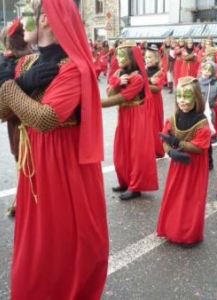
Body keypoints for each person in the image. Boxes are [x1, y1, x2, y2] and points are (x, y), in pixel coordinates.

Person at [0, 0, 109, 299]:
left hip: (64, 167)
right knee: (36, 242)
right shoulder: (26, 63)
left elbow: (45, 118)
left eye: (26, 17)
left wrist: (9, 88)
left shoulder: (74, 68)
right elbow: (2, 112)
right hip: (34, 163)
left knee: (65, 239)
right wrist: (20, 81)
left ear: (46, 20)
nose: (21, 24)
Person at [157, 76, 211, 248]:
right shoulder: (173, 117)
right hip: (177, 164)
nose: (182, 100)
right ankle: (171, 229)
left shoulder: (201, 121)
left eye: (186, 96)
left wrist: (176, 143)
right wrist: (170, 151)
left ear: (196, 97)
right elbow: (164, 138)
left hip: (194, 165)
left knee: (191, 198)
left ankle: (189, 234)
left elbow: (199, 147)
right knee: (174, 195)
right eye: (179, 95)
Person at [102, 40, 158, 200]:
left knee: (136, 151)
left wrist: (95, 103)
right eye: (117, 55)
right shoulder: (119, 73)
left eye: (121, 55)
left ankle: (136, 186)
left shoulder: (138, 78)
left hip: (136, 114)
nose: (118, 58)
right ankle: (125, 181)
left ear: (131, 57)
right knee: (122, 149)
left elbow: (121, 97)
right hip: (124, 114)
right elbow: (111, 94)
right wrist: (117, 82)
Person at [0, 17, 32, 216]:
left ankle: (26, 202)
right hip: (17, 122)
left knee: (27, 164)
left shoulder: (29, 60)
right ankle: (22, 200)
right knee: (21, 162)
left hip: (29, 120)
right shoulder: (7, 63)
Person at [198, 61, 217, 170]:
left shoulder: (215, 84)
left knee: (207, 139)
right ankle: (198, 160)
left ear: (212, 72)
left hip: (208, 114)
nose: (206, 72)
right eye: (205, 69)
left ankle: (209, 162)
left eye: (209, 70)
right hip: (195, 112)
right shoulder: (195, 82)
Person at [145, 44, 165, 158]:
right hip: (144, 100)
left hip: (154, 101)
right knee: (145, 125)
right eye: (146, 57)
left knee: (154, 125)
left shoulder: (160, 72)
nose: (147, 59)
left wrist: (144, 83)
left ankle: (156, 149)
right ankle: (147, 148)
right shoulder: (143, 70)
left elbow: (157, 88)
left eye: (150, 57)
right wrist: (148, 81)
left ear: (156, 59)